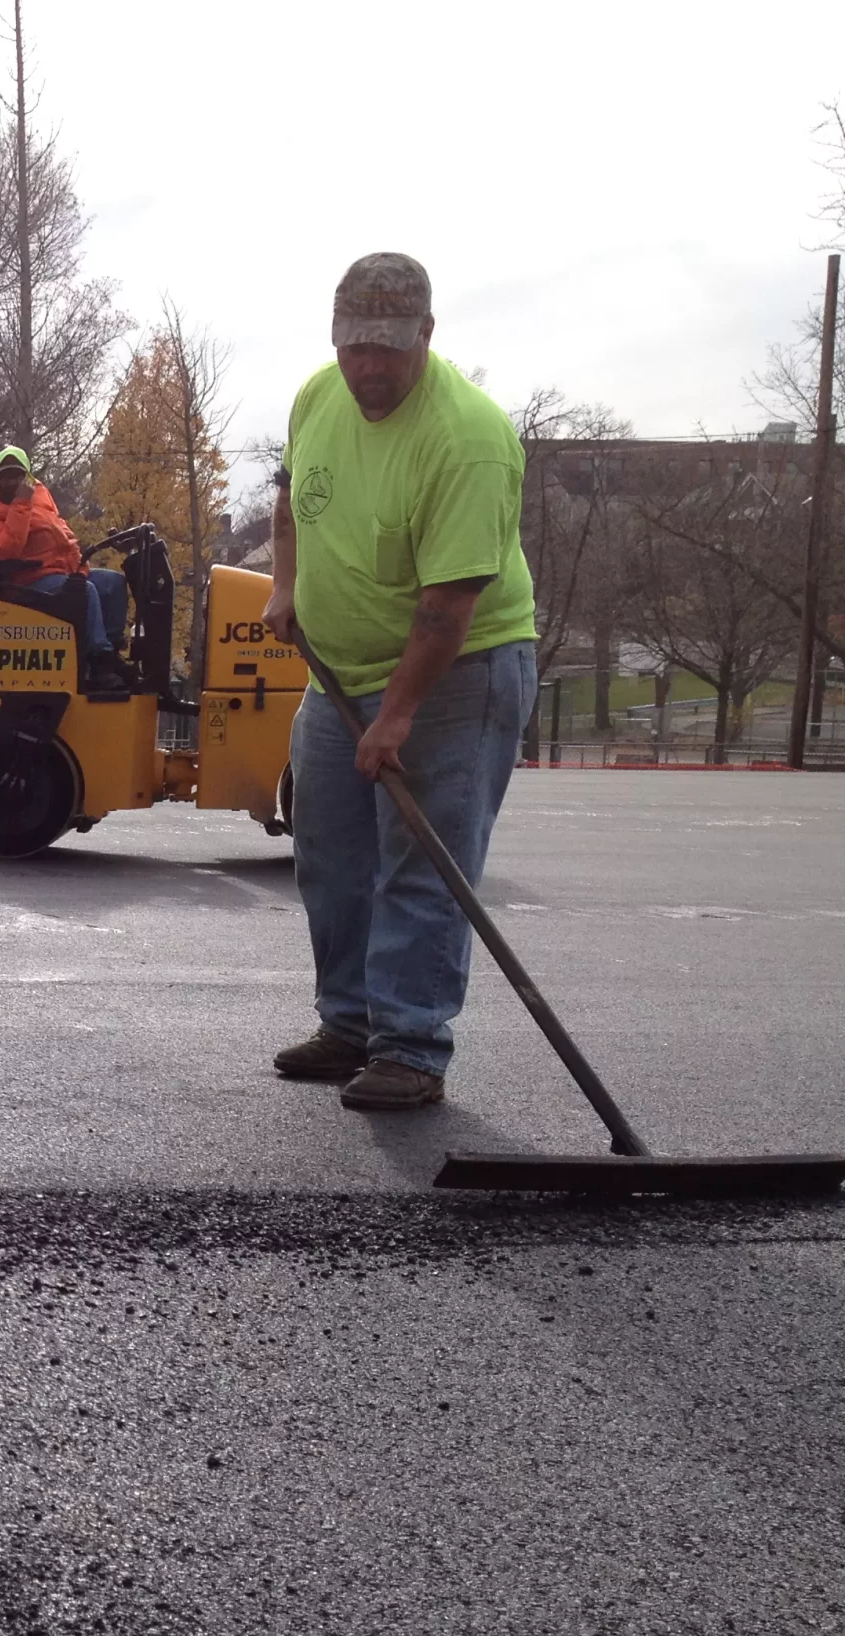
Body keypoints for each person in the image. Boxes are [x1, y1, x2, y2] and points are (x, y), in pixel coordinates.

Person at [263, 253, 538, 1111]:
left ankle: (411, 1044)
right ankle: (349, 1022)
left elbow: (448, 606)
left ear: (426, 334)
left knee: (420, 863)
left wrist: (398, 717)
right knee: (329, 854)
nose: (368, 367)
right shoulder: (317, 397)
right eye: (353, 347)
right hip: (340, 672)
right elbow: (289, 496)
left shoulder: (467, 439)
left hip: (456, 672)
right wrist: (283, 584)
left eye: (386, 348)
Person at [0, 445, 130, 690]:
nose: (12, 481)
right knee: (84, 591)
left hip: (60, 572)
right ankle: (100, 664)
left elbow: (62, 535)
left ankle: (110, 656)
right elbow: (7, 549)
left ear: (26, 475)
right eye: (5, 476)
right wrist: (21, 504)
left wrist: (79, 567)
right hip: (24, 581)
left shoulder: (40, 494)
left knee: (113, 584)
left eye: (17, 475)